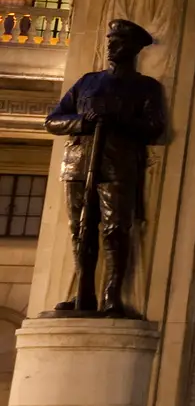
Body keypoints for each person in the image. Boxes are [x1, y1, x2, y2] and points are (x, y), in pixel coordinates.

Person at [46, 19, 169, 317]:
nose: (111, 46)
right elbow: (53, 120)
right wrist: (84, 122)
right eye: (110, 40)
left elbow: (155, 127)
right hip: (78, 164)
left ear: (134, 48)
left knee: (115, 229)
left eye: (119, 41)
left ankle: (111, 293)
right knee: (80, 229)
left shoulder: (145, 87)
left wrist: (118, 120)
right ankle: (82, 292)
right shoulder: (87, 82)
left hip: (118, 164)